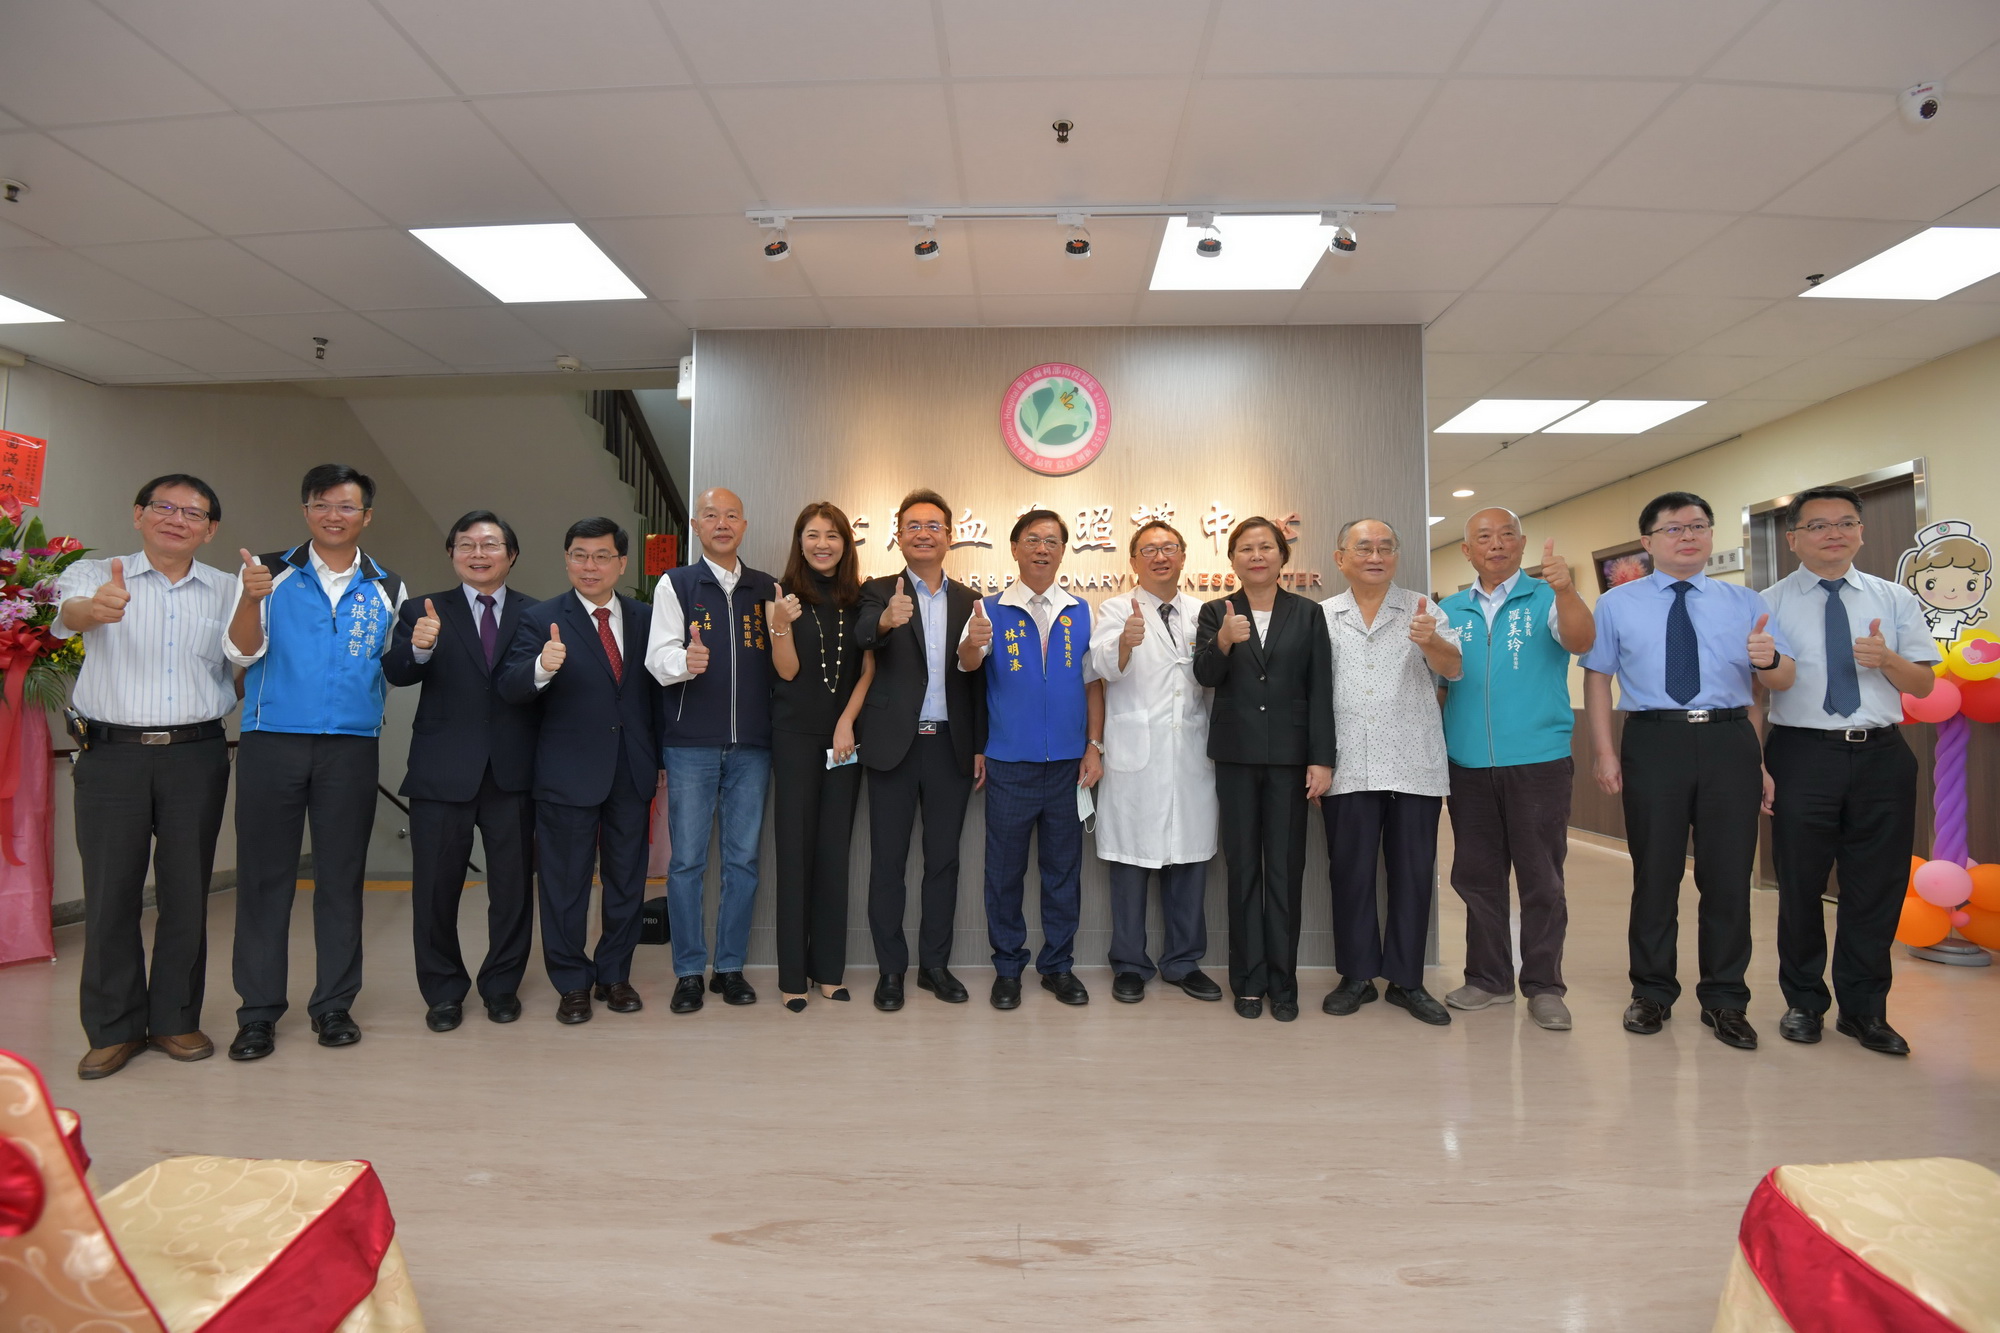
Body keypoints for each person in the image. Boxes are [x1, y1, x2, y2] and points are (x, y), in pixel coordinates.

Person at [1582, 491, 1795, 1050]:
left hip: (1729, 740)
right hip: (1654, 739)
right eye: (1674, 529)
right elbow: (1598, 679)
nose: (1688, 537)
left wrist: (1760, 758)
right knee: (1655, 874)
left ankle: (1725, 999)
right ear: (1648, 542)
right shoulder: (1617, 604)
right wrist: (1605, 752)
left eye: (1699, 526)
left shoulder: (1745, 601)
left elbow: (1760, 689)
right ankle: (1651, 992)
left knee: (1727, 878)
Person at [223, 464, 407, 1062]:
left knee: (340, 880)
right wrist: (251, 599)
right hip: (270, 739)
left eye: (347, 506)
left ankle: (333, 1006)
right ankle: (256, 1014)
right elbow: (241, 652)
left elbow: (396, 664)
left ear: (366, 516)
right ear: (306, 511)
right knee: (263, 881)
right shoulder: (267, 573)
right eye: (322, 504)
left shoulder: (387, 585)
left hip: (350, 747)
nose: (334, 515)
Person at [55, 475, 235, 1080]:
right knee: (111, 893)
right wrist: (94, 610)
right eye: (164, 507)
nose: (177, 519)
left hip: (196, 753)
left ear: (210, 529)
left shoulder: (228, 590)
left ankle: (176, 1019)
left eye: (193, 513)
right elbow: (68, 616)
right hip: (112, 756)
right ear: (138, 514)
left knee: (187, 890)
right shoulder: (95, 574)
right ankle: (112, 1029)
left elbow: (242, 662)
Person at [1763, 486, 1939, 1056]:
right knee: (1800, 884)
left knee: (1875, 888)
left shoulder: (1894, 599)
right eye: (1817, 526)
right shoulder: (1769, 602)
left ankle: (1865, 1012)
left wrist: (1887, 659)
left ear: (1861, 532)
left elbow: (1924, 685)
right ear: (1793, 539)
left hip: (1882, 756)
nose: (1833, 534)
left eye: (1844, 523)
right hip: (1800, 753)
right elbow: (1754, 689)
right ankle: (1804, 1003)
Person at [1436, 509, 1595, 1032]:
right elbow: (1439, 681)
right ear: (1467, 550)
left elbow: (1580, 641)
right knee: (1477, 877)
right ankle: (1488, 978)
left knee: (1541, 878)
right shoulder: (1450, 609)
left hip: (1538, 761)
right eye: (1483, 537)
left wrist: (1568, 590)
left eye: (1506, 536)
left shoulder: (1547, 597)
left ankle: (1545, 985)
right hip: (1468, 763)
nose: (1496, 545)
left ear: (1523, 543)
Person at [498, 518, 662, 1025]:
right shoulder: (540, 617)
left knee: (626, 882)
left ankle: (614, 975)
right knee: (564, 885)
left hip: (631, 771)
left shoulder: (647, 617)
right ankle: (571, 982)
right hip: (566, 774)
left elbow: (656, 693)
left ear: (622, 563)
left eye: (601, 556)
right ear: (566, 559)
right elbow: (511, 687)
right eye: (579, 555)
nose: (590, 566)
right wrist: (543, 667)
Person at [380, 511, 539, 1033]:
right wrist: (421, 644)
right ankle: (443, 991)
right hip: (441, 772)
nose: (478, 553)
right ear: (452, 554)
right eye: (466, 544)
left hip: (513, 773)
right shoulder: (424, 609)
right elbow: (398, 672)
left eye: (490, 544)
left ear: (510, 556)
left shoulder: (536, 614)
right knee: (434, 890)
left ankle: (501, 986)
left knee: (513, 891)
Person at [1319, 519, 1464, 1026]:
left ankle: (1407, 980)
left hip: (1413, 765)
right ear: (1341, 558)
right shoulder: (1323, 616)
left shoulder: (1424, 609)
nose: (1375, 555)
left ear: (1397, 556)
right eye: (1363, 547)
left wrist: (1431, 642)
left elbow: (1452, 669)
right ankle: (1356, 976)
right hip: (1349, 767)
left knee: (1412, 876)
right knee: (1351, 875)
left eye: (1385, 547)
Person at [961, 510, 1104, 1009]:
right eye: (1032, 540)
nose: (1042, 548)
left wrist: (1094, 745)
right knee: (1003, 873)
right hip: (1009, 763)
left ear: (1063, 550)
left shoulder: (1082, 611)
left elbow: (1093, 685)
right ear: (1015, 548)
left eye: (1051, 541)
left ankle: (1058, 967)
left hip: (1069, 766)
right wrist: (973, 645)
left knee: (1063, 871)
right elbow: (966, 664)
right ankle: (1007, 967)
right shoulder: (989, 609)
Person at [1192, 516, 1334, 1022]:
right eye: (1247, 549)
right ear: (1232, 560)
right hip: (1235, 757)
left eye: (1266, 547)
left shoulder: (1309, 614)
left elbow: (1320, 690)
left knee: (1285, 870)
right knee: (1244, 869)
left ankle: (1284, 981)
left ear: (1282, 556)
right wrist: (1225, 640)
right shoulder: (1215, 611)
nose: (1257, 555)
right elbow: (1205, 675)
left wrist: (1322, 759)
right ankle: (1247, 981)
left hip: (1291, 762)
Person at [645, 487, 778, 1014]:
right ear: (696, 527)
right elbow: (658, 658)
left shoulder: (766, 587)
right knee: (687, 863)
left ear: (744, 526)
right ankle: (687, 972)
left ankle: (729, 968)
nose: (721, 524)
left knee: (743, 861)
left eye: (731, 516)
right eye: (711, 516)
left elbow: (783, 659)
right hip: (690, 745)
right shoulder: (676, 583)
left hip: (753, 746)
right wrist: (686, 663)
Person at [853, 489, 986, 1012]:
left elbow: (975, 683)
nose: (923, 533)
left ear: (949, 537)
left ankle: (935, 965)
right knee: (887, 861)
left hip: (950, 745)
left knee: (944, 861)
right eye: (913, 525)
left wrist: (978, 745)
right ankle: (891, 970)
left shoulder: (969, 600)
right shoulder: (877, 589)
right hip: (893, 748)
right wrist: (885, 620)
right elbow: (863, 636)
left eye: (933, 525)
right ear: (899, 535)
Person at [1087, 520, 1222, 1004]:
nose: (1160, 556)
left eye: (1168, 548)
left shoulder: (1204, 613)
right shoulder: (1115, 608)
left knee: (1187, 861)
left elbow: (1212, 679)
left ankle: (1183, 962)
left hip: (1190, 754)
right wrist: (1124, 642)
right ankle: (1129, 964)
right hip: (1134, 757)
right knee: (1129, 864)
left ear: (1184, 556)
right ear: (1133, 561)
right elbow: (1097, 667)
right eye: (1149, 550)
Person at [767, 502, 875, 1012]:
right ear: (800, 540)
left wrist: (846, 721)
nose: (822, 544)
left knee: (834, 852)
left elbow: (867, 670)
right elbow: (786, 673)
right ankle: (792, 976)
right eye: (812, 534)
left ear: (845, 543)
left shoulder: (861, 597)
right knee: (794, 851)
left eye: (832, 535)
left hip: (844, 739)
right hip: (792, 736)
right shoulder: (782, 597)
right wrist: (780, 625)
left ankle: (828, 971)